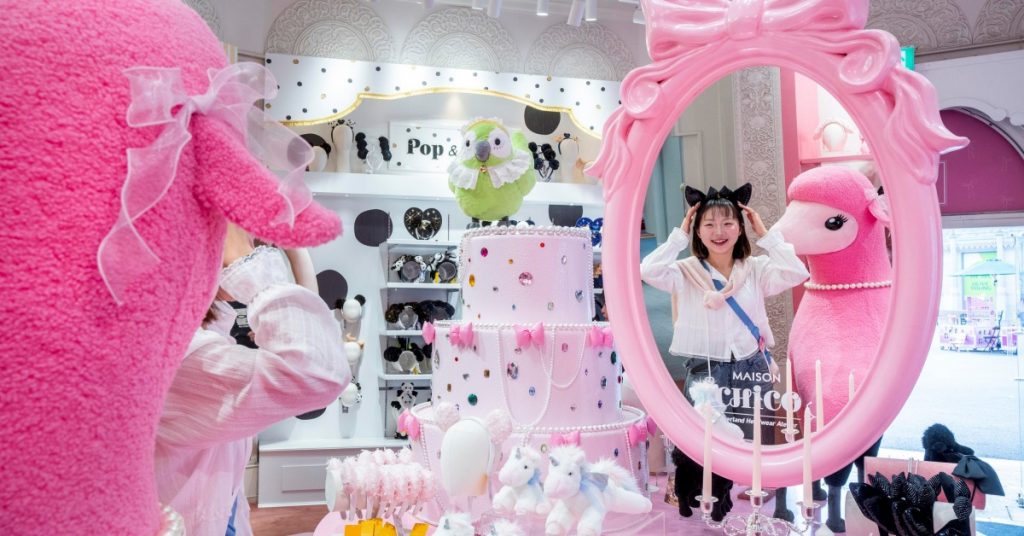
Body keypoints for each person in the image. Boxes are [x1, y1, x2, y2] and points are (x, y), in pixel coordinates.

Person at [155, 224, 349, 536]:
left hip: (221, 515)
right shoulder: (184, 355)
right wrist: (243, 259)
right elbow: (317, 372)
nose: (253, 250)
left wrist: (296, 251)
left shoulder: (202, 332)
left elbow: (312, 334)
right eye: (244, 246)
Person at [640, 183, 808, 519]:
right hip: (706, 370)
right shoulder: (685, 272)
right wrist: (678, 236)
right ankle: (707, 498)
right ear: (698, 230)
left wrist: (766, 235)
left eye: (728, 223)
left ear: (740, 228)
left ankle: (749, 501)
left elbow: (796, 272)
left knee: (753, 439)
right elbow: (648, 270)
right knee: (701, 443)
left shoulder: (755, 269)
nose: (719, 232)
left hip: (751, 365)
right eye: (709, 224)